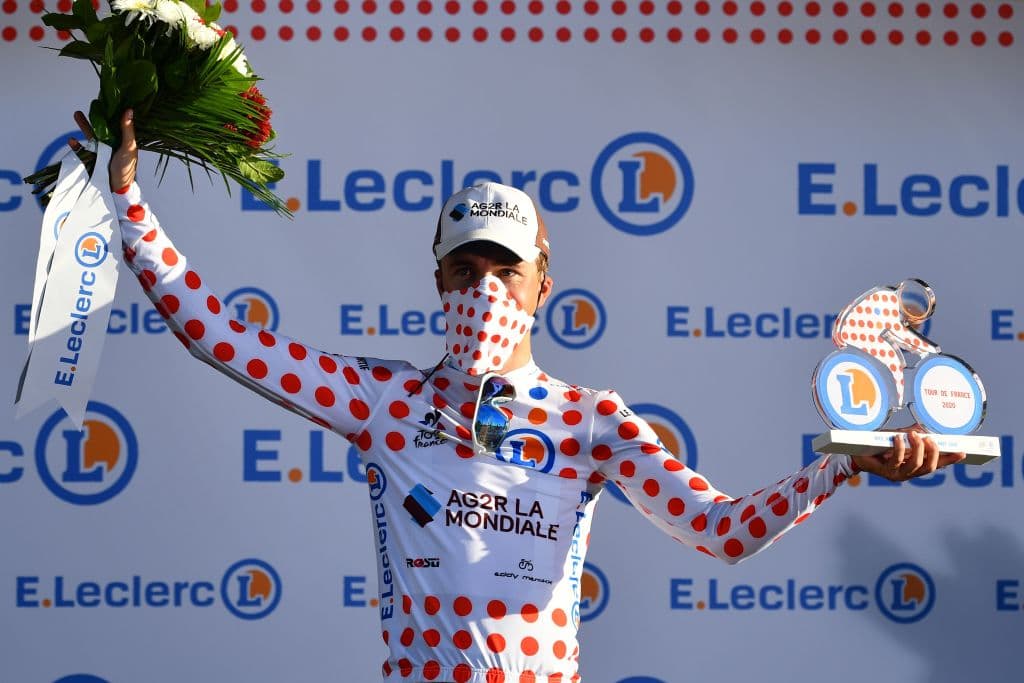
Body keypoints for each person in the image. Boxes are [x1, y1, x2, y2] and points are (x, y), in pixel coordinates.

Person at [72, 110, 966, 683]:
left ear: (544, 286)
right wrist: (128, 201)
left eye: (507, 271)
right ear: (437, 283)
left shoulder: (591, 419)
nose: (485, 291)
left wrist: (843, 465)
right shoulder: (381, 398)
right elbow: (217, 335)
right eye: (465, 271)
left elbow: (723, 529)